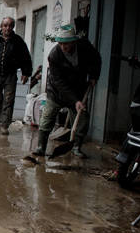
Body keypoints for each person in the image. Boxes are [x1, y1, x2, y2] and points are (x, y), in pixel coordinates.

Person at [31, 25, 101, 158]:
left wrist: (94, 76)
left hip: (78, 87)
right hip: (57, 91)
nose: (64, 47)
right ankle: (41, 147)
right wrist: (75, 101)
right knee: (47, 117)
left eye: (67, 44)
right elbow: (59, 82)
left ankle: (76, 147)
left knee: (82, 119)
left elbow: (96, 60)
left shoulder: (84, 47)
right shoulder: (54, 55)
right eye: (61, 44)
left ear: (74, 41)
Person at [0, 17, 32, 135]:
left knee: (9, 100)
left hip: (10, 75)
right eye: (5, 25)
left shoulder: (18, 41)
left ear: (12, 27)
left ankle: (4, 125)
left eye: (10, 25)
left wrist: (26, 72)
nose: (7, 28)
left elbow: (25, 57)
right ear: (1, 27)